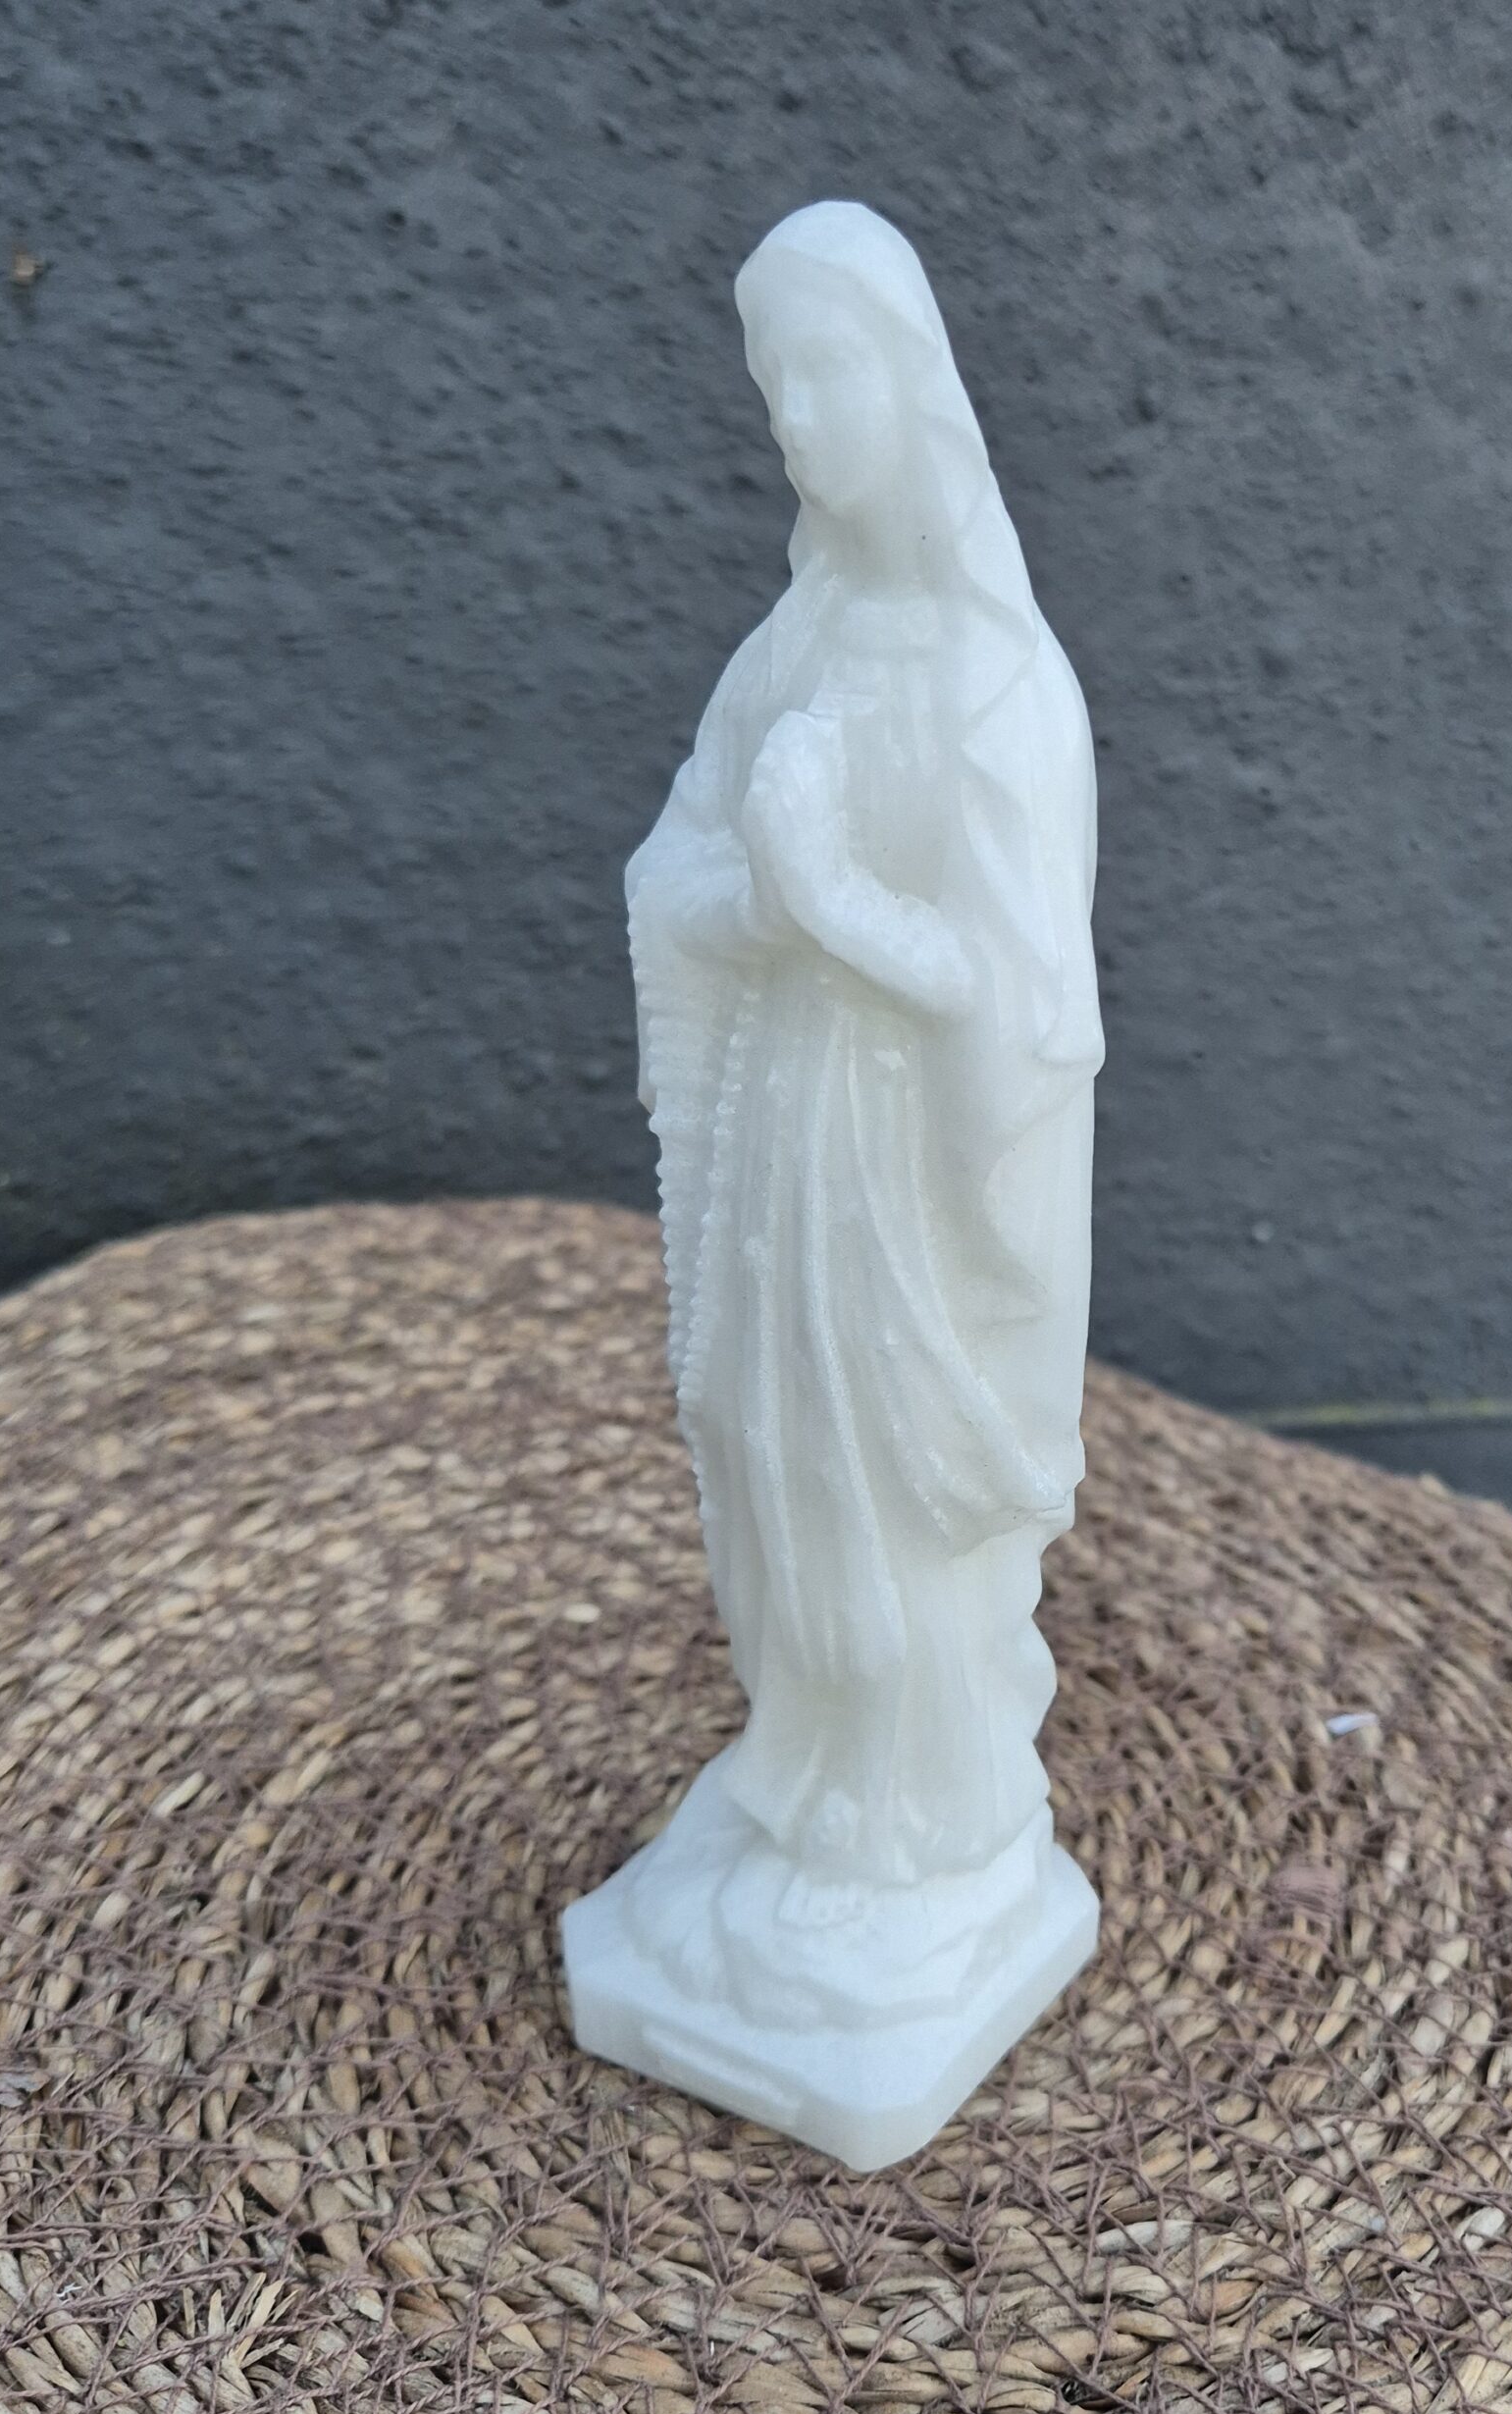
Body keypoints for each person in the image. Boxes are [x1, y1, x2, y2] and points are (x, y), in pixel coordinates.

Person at [625, 200, 1104, 1904]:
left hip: (903, 1165)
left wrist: (832, 905)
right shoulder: (795, 650)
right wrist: (771, 904)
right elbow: (675, 871)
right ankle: (807, 1768)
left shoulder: (1000, 691)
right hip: (786, 1135)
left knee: (889, 1493)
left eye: (826, 372)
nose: (799, 420)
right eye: (774, 385)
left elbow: (1024, 1006)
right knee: (773, 1457)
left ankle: (922, 1818)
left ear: (913, 385)